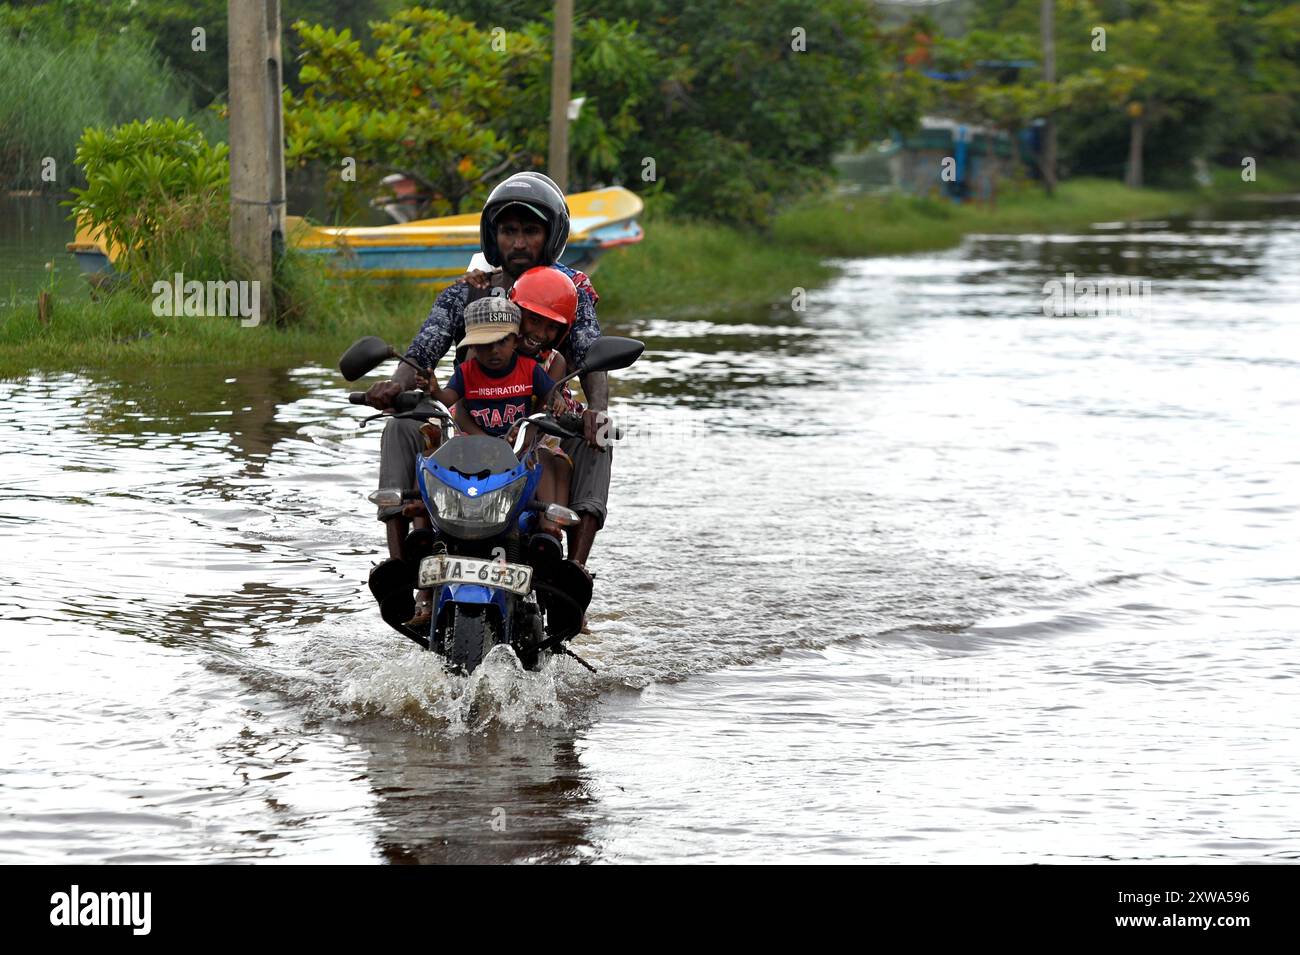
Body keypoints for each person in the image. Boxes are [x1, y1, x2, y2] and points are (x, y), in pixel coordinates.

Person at [365, 171, 613, 569]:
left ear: (551, 237)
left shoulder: (571, 289)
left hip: (539, 426)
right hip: (468, 426)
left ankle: (574, 572)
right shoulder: (469, 289)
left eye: (531, 231)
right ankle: (401, 562)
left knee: (599, 436)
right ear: (491, 235)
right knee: (399, 426)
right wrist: (395, 388)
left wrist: (597, 408)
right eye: (509, 230)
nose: (518, 242)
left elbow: (589, 352)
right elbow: (424, 347)